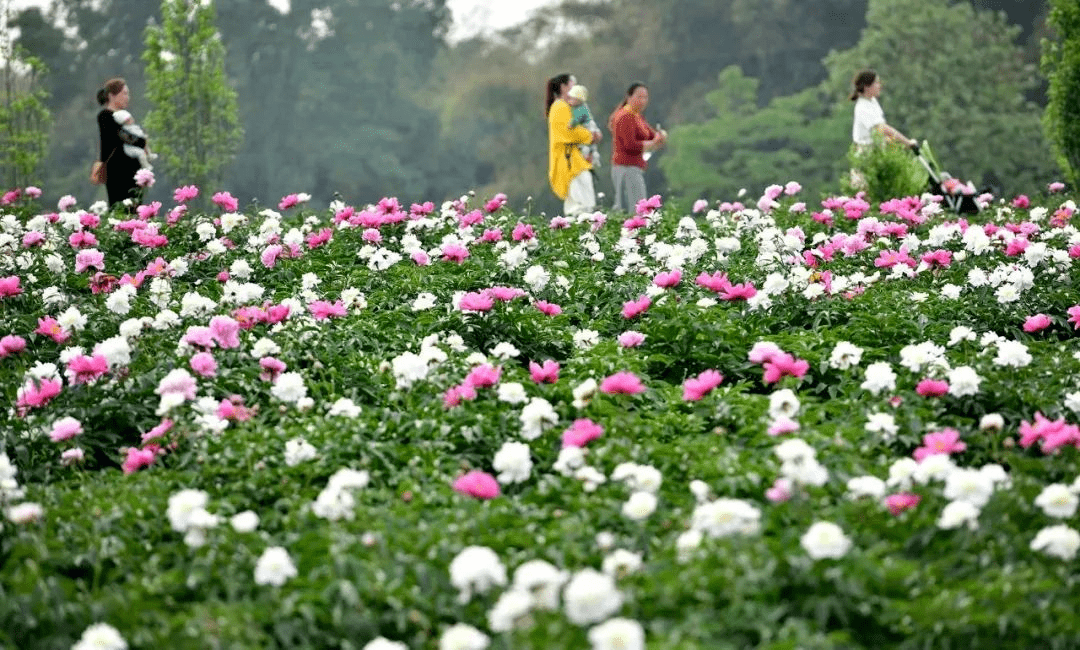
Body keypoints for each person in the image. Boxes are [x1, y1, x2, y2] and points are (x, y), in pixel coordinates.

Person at [546, 73, 601, 217]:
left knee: (585, 196)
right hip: (567, 159)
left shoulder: (570, 106)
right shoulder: (559, 106)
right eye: (572, 84)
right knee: (577, 204)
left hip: (574, 157)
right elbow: (568, 132)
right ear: (563, 87)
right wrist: (590, 136)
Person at [608, 82, 666, 213]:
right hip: (626, 167)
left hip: (636, 167)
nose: (643, 101)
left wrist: (659, 137)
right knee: (636, 209)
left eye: (645, 97)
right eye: (639, 97)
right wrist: (651, 144)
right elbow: (630, 145)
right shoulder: (624, 116)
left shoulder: (637, 116)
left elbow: (650, 135)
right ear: (629, 97)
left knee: (638, 205)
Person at [96, 78, 145, 207]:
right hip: (118, 173)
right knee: (120, 209)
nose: (127, 97)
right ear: (112, 96)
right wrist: (140, 139)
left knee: (136, 209)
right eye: (124, 93)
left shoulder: (124, 117)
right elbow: (124, 137)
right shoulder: (105, 116)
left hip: (134, 170)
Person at [850, 69, 917, 151]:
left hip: (878, 151)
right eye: (876, 83)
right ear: (867, 87)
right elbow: (882, 129)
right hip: (867, 154)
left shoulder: (872, 101)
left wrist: (898, 144)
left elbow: (883, 135)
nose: (879, 86)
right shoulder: (863, 107)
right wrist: (907, 143)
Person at [566, 84, 601, 169]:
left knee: (588, 143)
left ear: (578, 100)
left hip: (588, 126)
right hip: (585, 127)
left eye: (572, 99)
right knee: (587, 143)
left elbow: (577, 119)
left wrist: (571, 124)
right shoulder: (576, 107)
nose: (570, 101)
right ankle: (590, 156)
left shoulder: (581, 108)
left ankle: (591, 157)